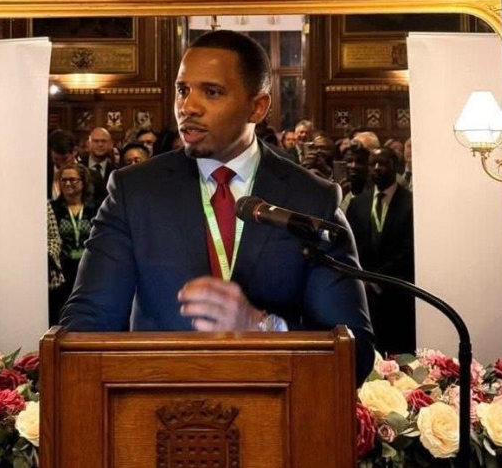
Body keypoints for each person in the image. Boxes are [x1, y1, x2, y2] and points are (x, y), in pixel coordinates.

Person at [60, 30, 374, 384]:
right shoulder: (135, 191)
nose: (187, 107)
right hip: (160, 405)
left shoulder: (311, 198)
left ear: (257, 107)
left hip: (276, 405)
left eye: (211, 92)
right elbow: (87, 323)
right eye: (183, 90)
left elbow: (355, 354)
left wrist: (261, 326)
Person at [346, 147, 414, 355]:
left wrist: (377, 279)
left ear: (395, 166)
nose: (376, 168)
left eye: (382, 163)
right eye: (372, 164)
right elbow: (349, 244)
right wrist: (363, 279)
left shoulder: (411, 203)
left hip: (397, 292)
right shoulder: (358, 203)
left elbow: (408, 249)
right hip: (365, 295)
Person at [48, 163, 99, 326]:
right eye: (63, 180)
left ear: (83, 182)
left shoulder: (96, 208)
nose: (68, 184)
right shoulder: (53, 208)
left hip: (89, 269)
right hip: (63, 270)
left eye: (73, 180)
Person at [80, 127, 117, 205]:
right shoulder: (78, 167)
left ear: (111, 144)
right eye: (96, 141)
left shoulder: (117, 171)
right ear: (88, 144)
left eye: (104, 141)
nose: (100, 144)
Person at [47, 129, 78, 200]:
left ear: (75, 151)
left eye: (65, 159)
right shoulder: (43, 174)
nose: (61, 165)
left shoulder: (92, 176)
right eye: (56, 159)